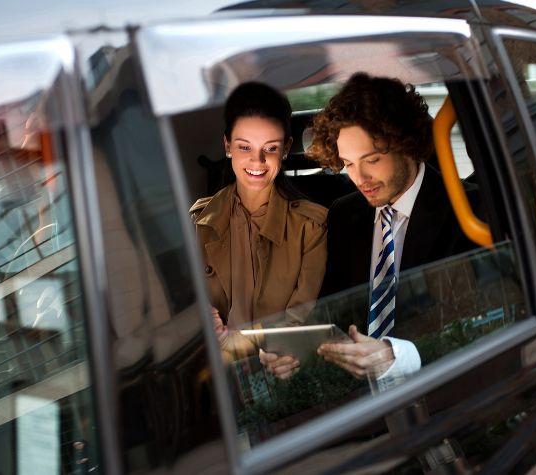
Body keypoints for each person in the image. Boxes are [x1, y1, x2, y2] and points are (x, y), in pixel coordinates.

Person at [306, 73, 476, 384]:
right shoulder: (344, 215)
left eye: (371, 159)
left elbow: (478, 324)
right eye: (348, 163)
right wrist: (299, 354)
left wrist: (396, 356)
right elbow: (331, 314)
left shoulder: (467, 211)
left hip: (441, 388)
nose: (359, 178)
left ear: (406, 143)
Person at [190, 82, 327, 375]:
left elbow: (298, 320)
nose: (257, 161)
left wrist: (266, 351)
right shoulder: (197, 223)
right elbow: (187, 307)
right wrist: (202, 319)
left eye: (271, 148)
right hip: (214, 373)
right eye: (244, 147)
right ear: (227, 146)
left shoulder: (312, 227)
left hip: (277, 367)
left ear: (286, 149)